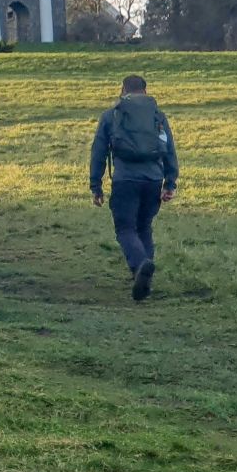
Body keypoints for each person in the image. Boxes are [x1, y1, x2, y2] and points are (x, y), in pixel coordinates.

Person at [89, 74, 178, 301]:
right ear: (145, 91)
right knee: (144, 226)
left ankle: (140, 266)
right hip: (152, 180)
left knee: (125, 229)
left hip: (125, 180)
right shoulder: (157, 115)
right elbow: (168, 149)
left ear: (122, 90)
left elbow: (99, 152)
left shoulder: (112, 115)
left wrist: (96, 185)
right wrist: (170, 182)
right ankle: (143, 278)